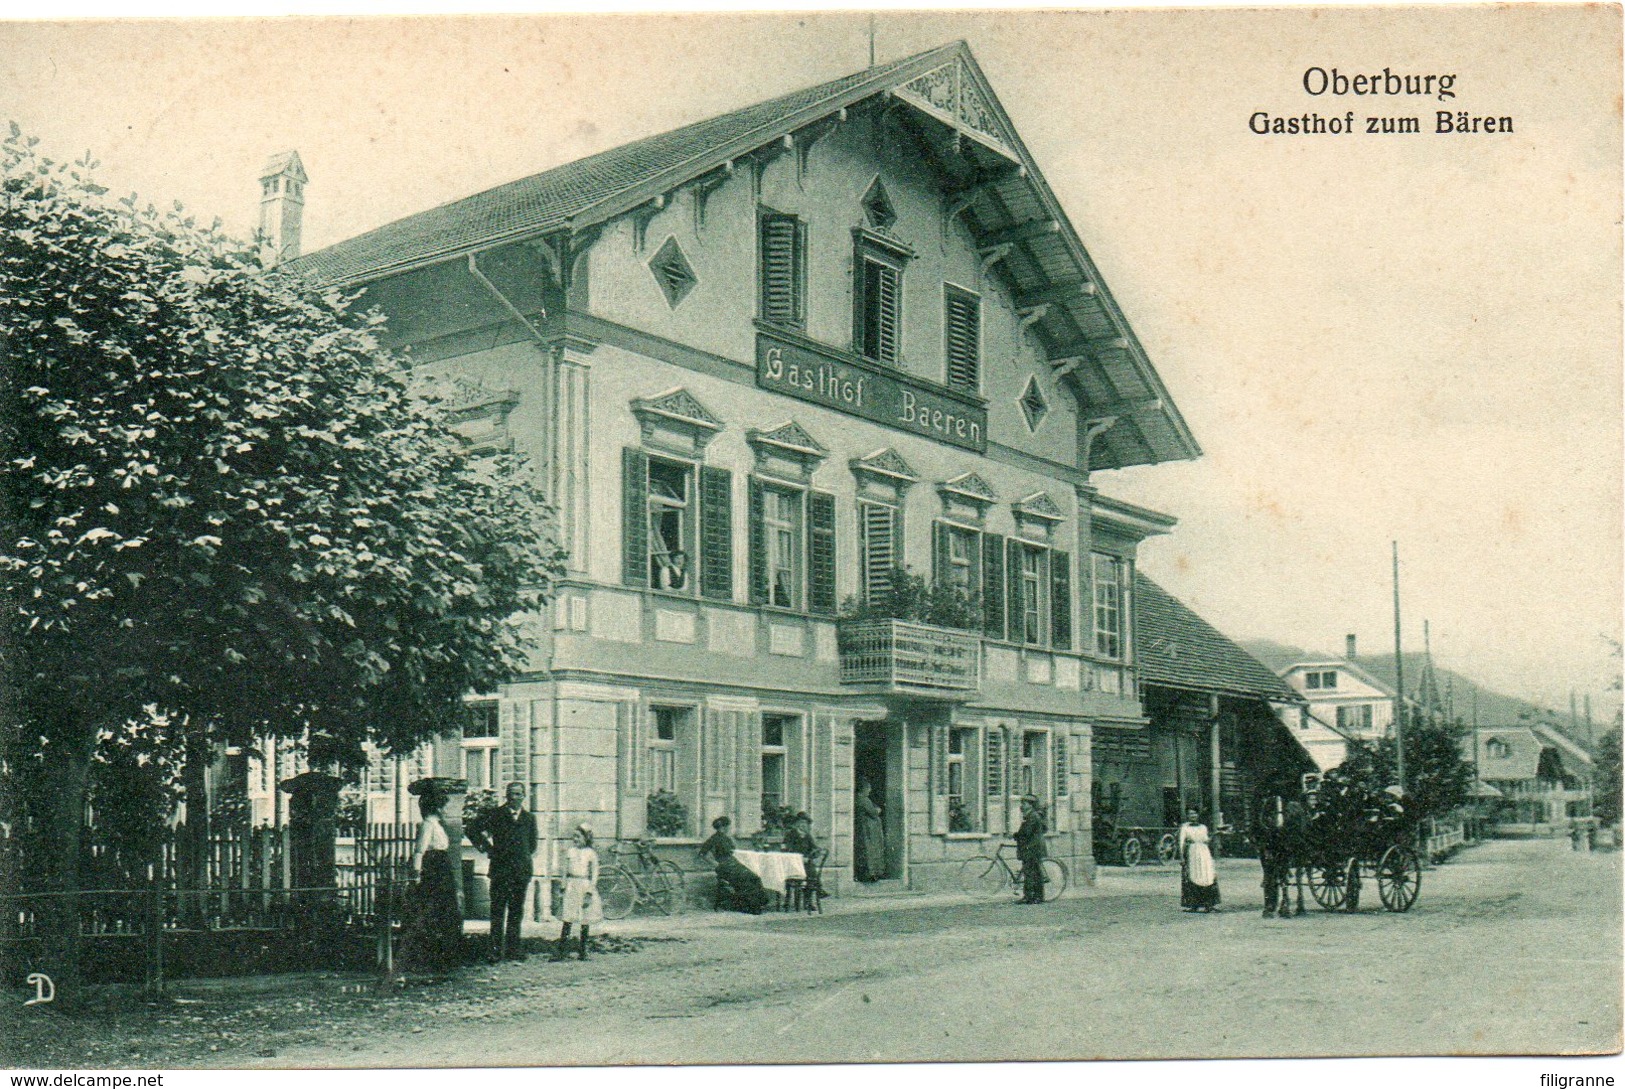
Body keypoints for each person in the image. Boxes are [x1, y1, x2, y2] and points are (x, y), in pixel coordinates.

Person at [469, 781, 537, 962]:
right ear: (506, 796)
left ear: (524, 796)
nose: (515, 797)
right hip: (500, 871)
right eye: (511, 794)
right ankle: (495, 951)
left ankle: (513, 951)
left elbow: (532, 845)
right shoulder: (496, 815)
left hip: (520, 872)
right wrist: (488, 849)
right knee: (498, 911)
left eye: (518, 794)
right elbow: (472, 829)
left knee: (516, 912)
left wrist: (520, 858)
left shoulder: (529, 818)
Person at [402, 780, 463, 972]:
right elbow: (419, 851)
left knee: (447, 911)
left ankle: (446, 958)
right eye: (443, 806)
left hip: (442, 868)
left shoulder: (437, 824)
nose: (446, 810)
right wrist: (416, 874)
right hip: (434, 870)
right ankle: (433, 959)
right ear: (436, 807)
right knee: (436, 913)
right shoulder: (428, 825)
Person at [698, 815, 771, 913]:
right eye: (728, 826)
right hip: (724, 867)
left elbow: (734, 851)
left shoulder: (727, 838)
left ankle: (754, 904)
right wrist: (716, 864)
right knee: (746, 878)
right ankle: (749, 906)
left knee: (754, 877)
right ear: (723, 827)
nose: (729, 828)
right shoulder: (714, 838)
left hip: (733, 865)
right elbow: (702, 854)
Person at [553, 824, 601, 961]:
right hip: (571, 886)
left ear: (586, 838)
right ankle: (562, 951)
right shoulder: (571, 851)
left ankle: (583, 951)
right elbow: (564, 871)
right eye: (574, 836)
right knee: (568, 918)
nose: (575, 839)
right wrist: (562, 886)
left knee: (584, 919)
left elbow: (595, 874)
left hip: (584, 886)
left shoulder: (591, 854)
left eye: (578, 836)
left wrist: (590, 892)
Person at [1178, 807, 1221, 913]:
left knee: (1207, 875)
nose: (1193, 816)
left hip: (1204, 852)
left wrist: (1216, 834)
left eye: (1194, 814)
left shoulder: (1203, 827)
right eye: (1190, 814)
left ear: (1198, 815)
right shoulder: (1185, 827)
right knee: (1194, 875)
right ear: (1187, 816)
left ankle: (1209, 905)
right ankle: (1194, 905)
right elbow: (1181, 843)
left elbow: (1206, 840)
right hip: (1192, 852)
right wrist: (1182, 857)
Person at [1013, 795, 1048, 904]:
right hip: (1032, 848)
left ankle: (1033, 897)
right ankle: (1033, 896)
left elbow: (1026, 832)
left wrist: (1016, 835)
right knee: (1032, 872)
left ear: (1030, 805)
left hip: (1033, 848)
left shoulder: (1033, 816)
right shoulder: (1030, 815)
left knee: (1032, 873)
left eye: (1024, 803)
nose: (1021, 806)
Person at [783, 811, 825, 897]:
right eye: (801, 822)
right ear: (796, 823)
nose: (803, 825)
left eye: (805, 823)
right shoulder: (791, 834)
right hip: (792, 863)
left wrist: (815, 853)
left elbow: (814, 848)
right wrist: (799, 858)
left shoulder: (807, 836)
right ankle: (818, 889)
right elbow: (788, 849)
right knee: (810, 871)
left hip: (805, 862)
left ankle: (808, 901)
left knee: (810, 869)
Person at [855, 780, 886, 883]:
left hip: (865, 829)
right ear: (863, 788)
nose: (870, 790)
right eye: (868, 788)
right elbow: (873, 812)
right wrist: (877, 810)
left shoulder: (859, 798)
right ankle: (872, 873)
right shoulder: (864, 799)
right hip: (869, 830)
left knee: (866, 851)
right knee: (871, 851)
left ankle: (869, 873)